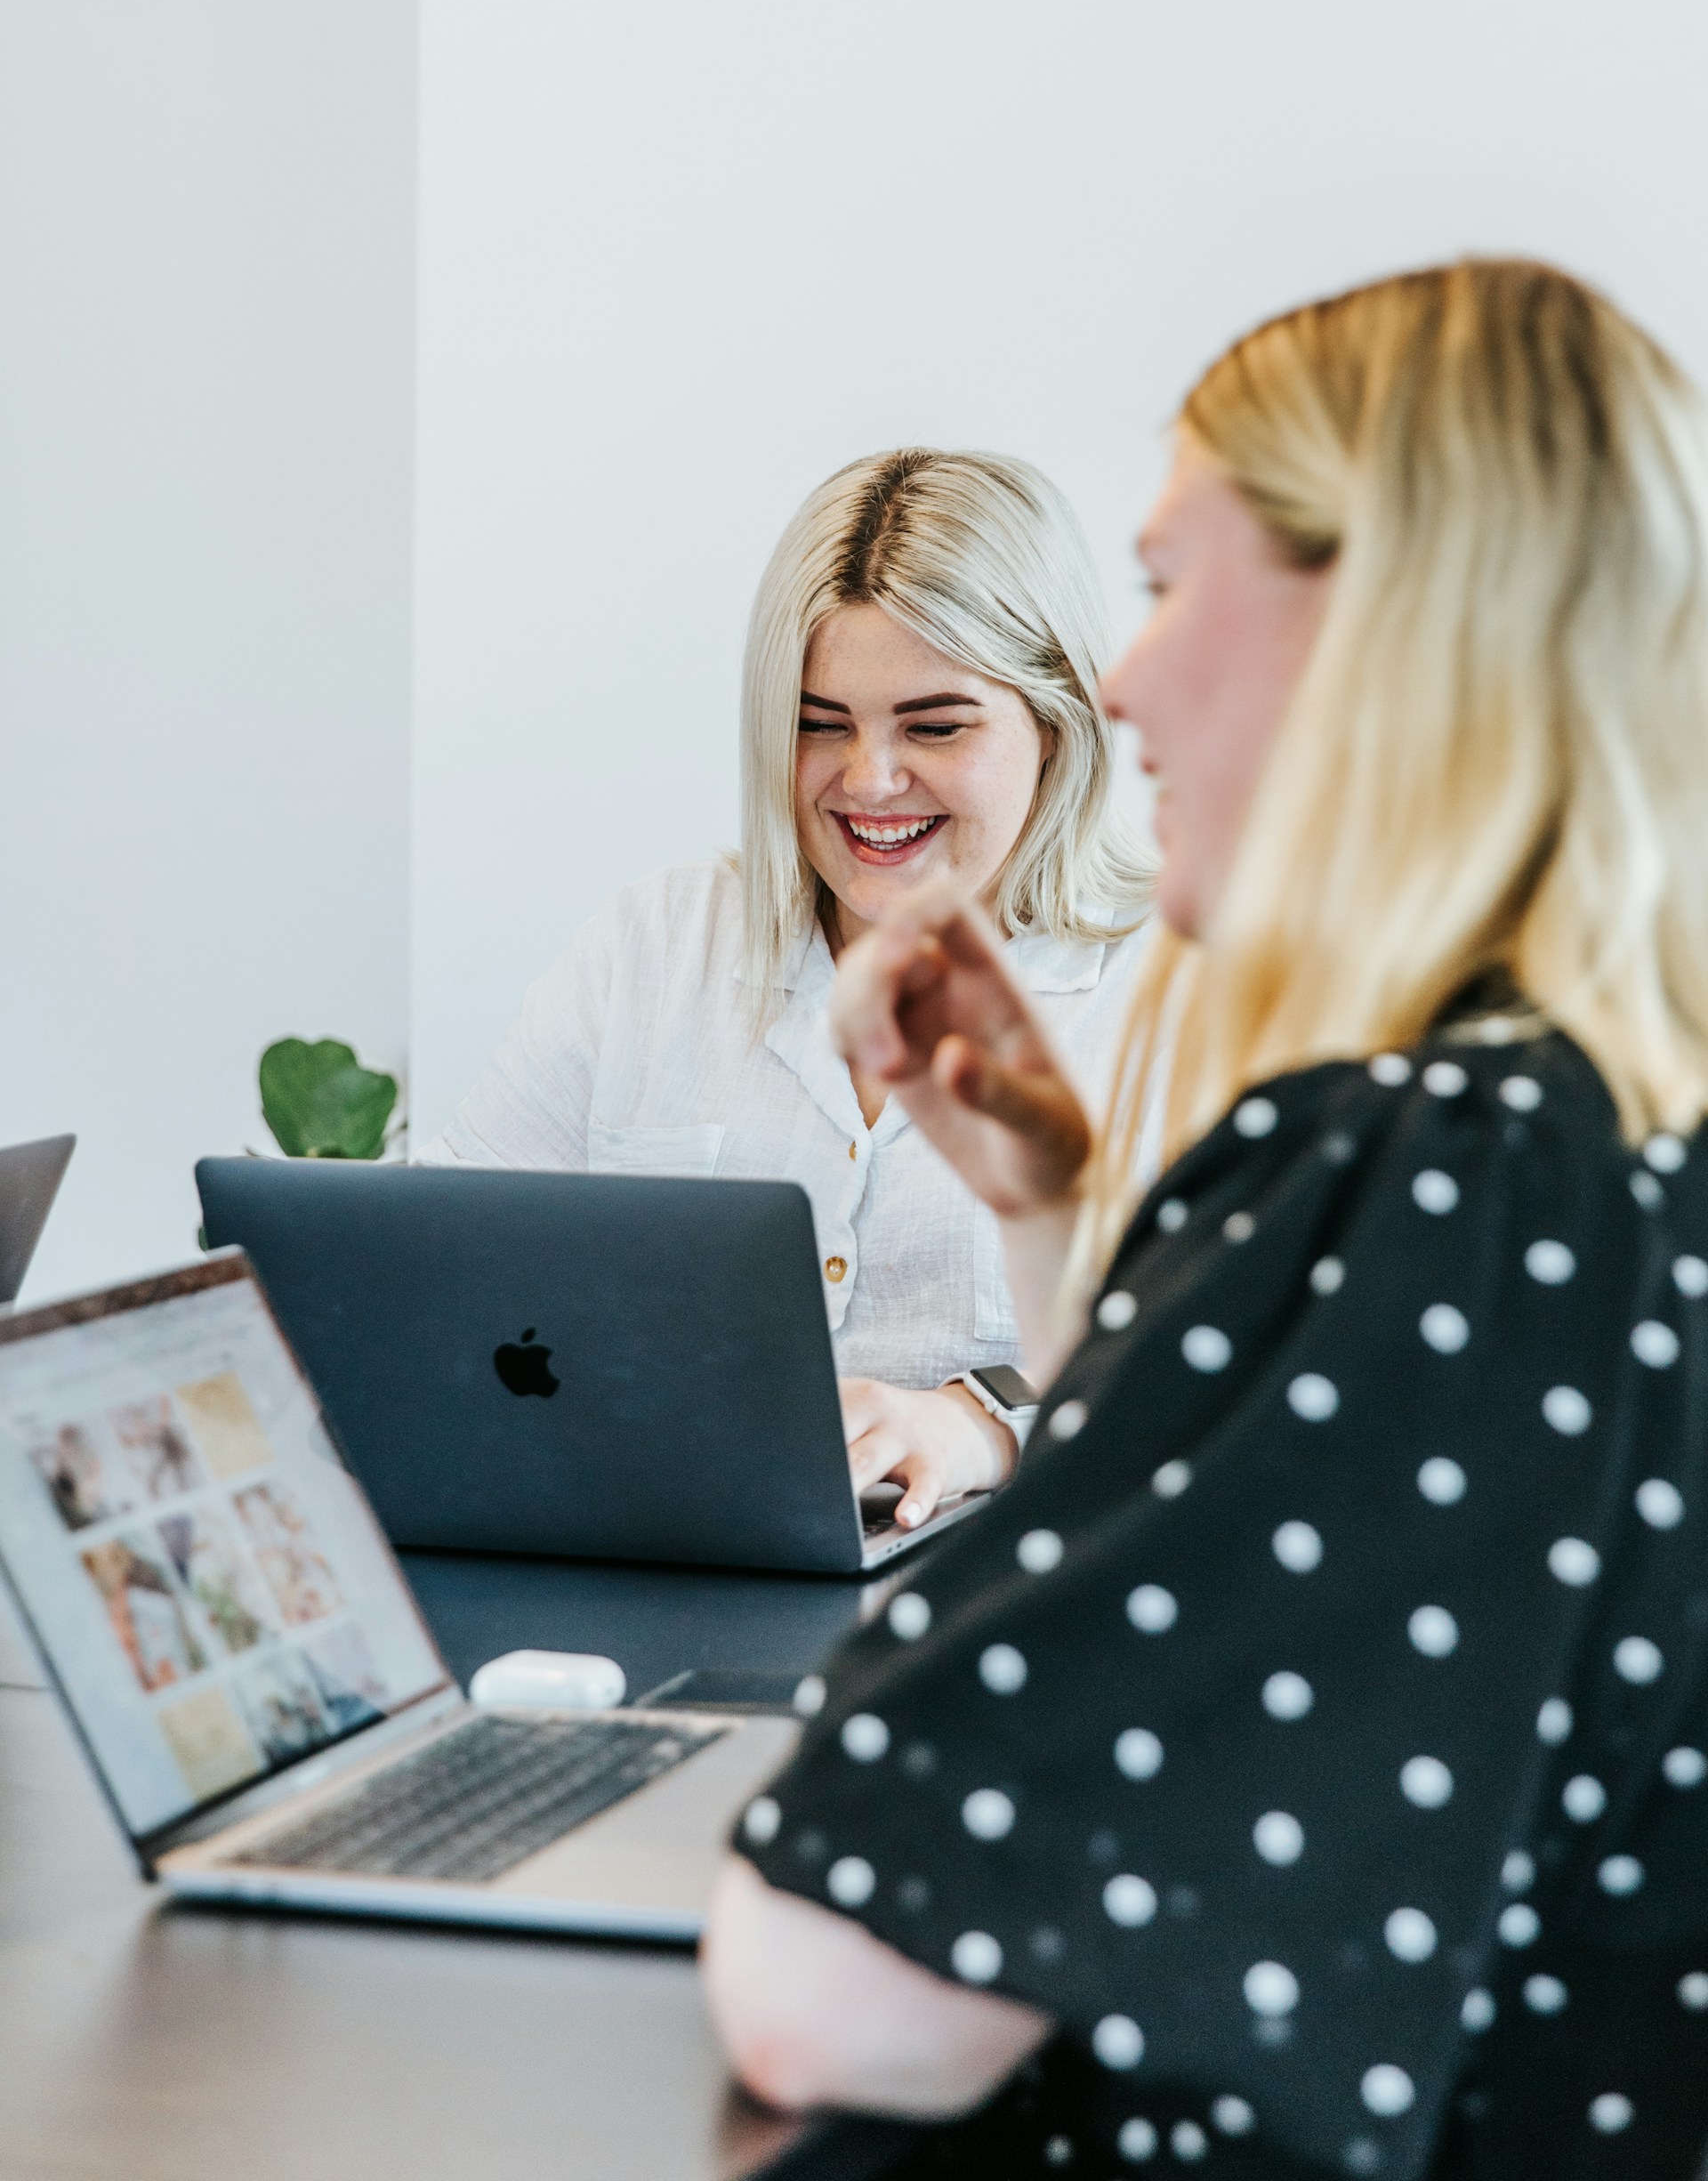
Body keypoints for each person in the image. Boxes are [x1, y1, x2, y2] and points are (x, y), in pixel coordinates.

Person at [703, 261, 1708, 2178]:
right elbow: (1331, 1574)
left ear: (1393, 620)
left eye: (1168, 586)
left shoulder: (1436, 1169)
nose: (1120, 680)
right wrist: (1059, 1209)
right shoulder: (1611, 1135)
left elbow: (841, 1992)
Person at [420, 448, 1148, 1527]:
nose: (868, 780)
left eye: (934, 725)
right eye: (820, 722)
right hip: (646, 1569)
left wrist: (986, 1422)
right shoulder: (652, 950)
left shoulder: (1177, 994)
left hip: (990, 1607)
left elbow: (1239, 1381)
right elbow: (440, 1271)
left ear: (1057, 720)